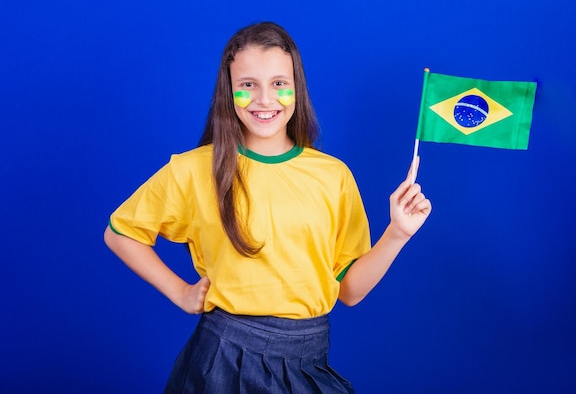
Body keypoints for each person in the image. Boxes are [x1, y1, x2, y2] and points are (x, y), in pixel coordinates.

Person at [104, 21, 431, 394]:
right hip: (222, 363)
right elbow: (120, 234)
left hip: (309, 358)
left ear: (297, 88)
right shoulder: (194, 169)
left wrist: (397, 234)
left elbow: (350, 291)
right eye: (248, 85)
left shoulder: (332, 176)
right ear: (229, 92)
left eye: (279, 83)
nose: (264, 100)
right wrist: (180, 292)